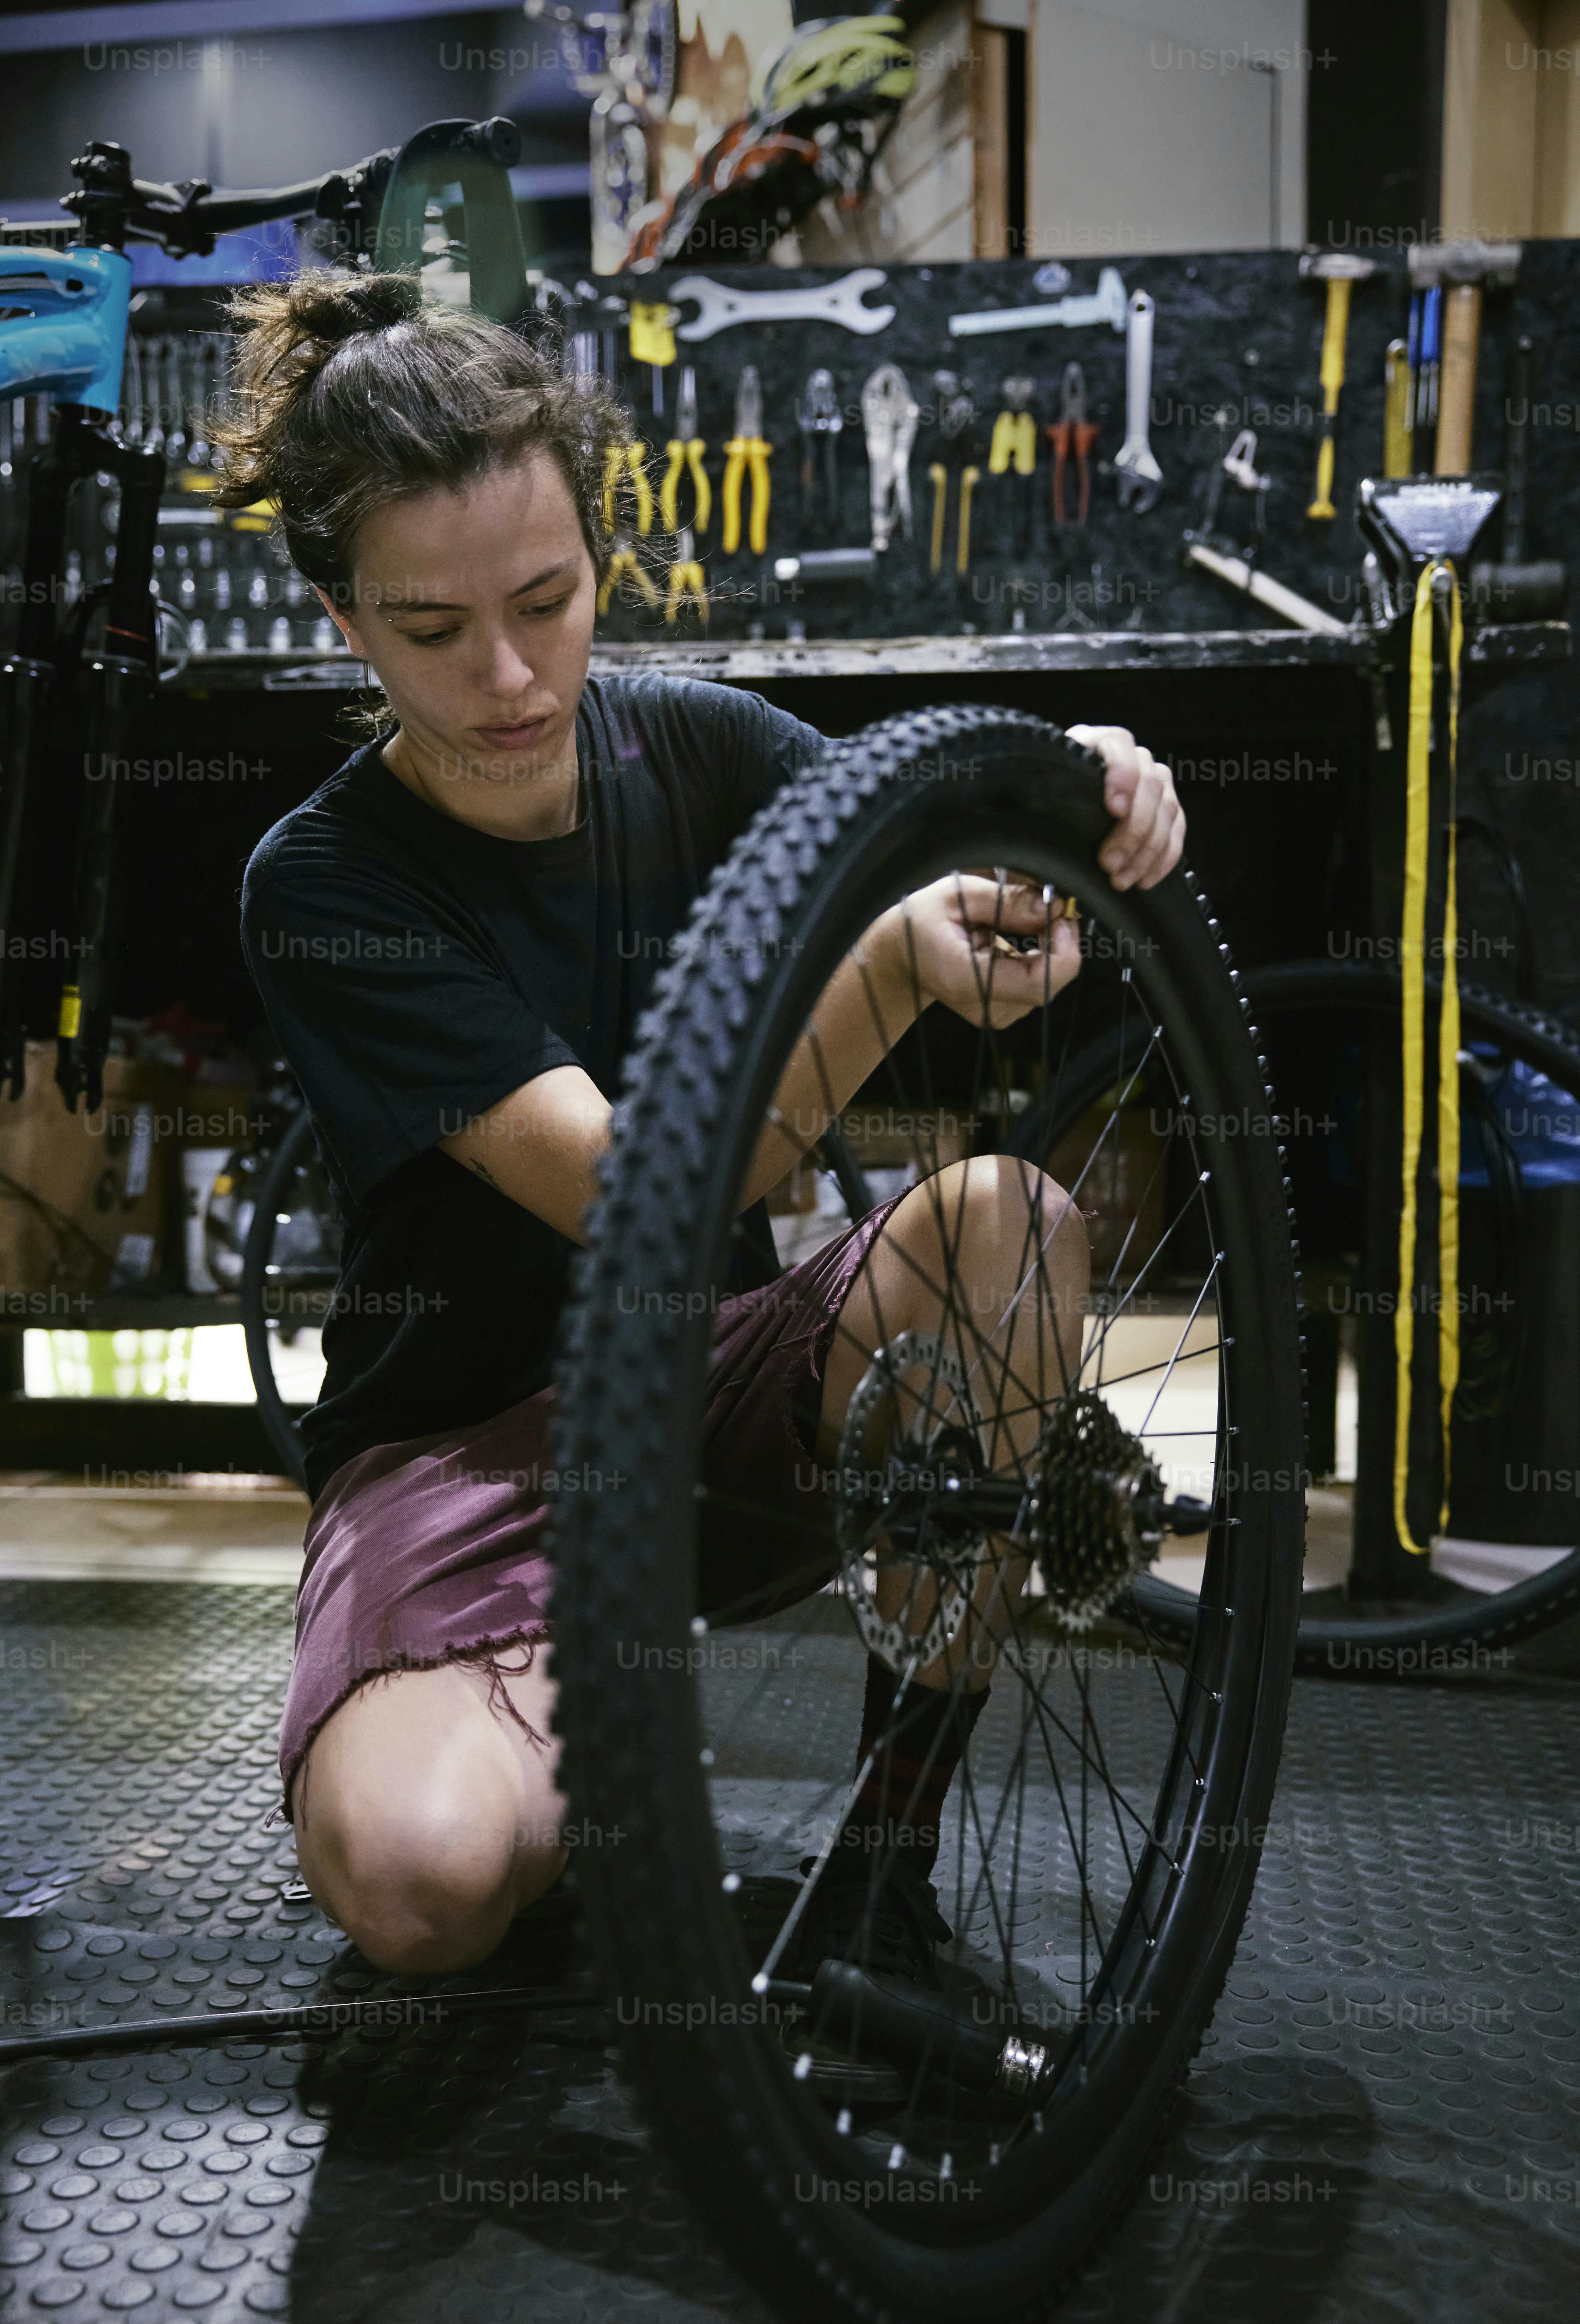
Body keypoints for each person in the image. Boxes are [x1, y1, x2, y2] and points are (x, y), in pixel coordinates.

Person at [224, 270, 1185, 1980]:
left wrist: (1084, 778)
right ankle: (558, 1710)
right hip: (459, 1463)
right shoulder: (322, 883)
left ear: (604, 557)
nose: (511, 675)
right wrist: (895, 969)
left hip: (708, 1403)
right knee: (422, 1889)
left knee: (1008, 1221)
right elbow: (631, 1190)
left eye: (549, 598)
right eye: (435, 633)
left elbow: (952, 814)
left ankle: (884, 1882)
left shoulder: (705, 748)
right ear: (339, 618)